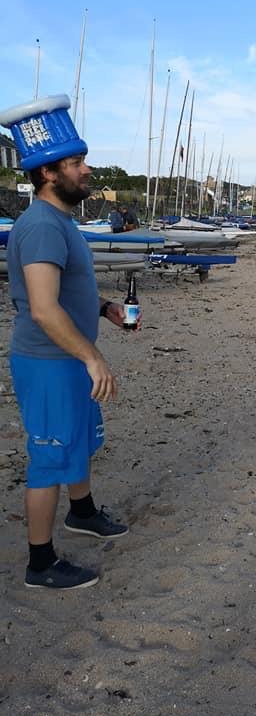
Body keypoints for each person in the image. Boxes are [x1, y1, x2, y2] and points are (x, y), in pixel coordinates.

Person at [0, 94, 131, 590]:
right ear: (48, 173)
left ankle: (82, 512)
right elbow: (42, 307)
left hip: (68, 356)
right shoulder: (38, 226)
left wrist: (103, 310)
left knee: (79, 438)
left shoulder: (63, 221)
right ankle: (40, 563)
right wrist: (92, 356)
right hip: (50, 361)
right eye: (76, 163)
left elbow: (67, 293)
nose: (87, 169)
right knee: (49, 458)